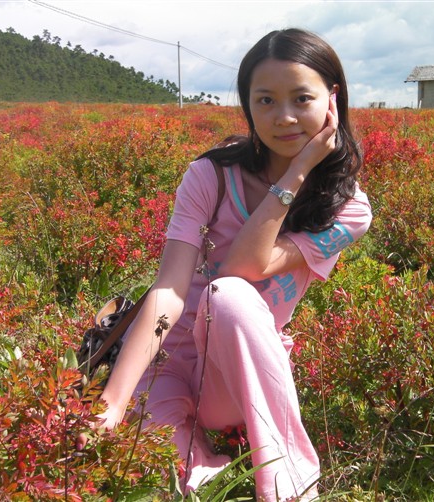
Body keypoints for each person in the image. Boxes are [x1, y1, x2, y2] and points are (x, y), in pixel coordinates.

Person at [76, 28, 372, 501]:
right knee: (169, 475)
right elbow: (169, 290)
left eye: (301, 98)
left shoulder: (348, 209)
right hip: (166, 360)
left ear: (333, 99)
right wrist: (111, 402)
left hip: (234, 370)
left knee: (229, 295)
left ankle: (291, 485)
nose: (284, 117)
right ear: (247, 105)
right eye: (265, 100)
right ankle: (203, 463)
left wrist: (297, 173)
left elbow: (242, 269)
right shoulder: (209, 176)